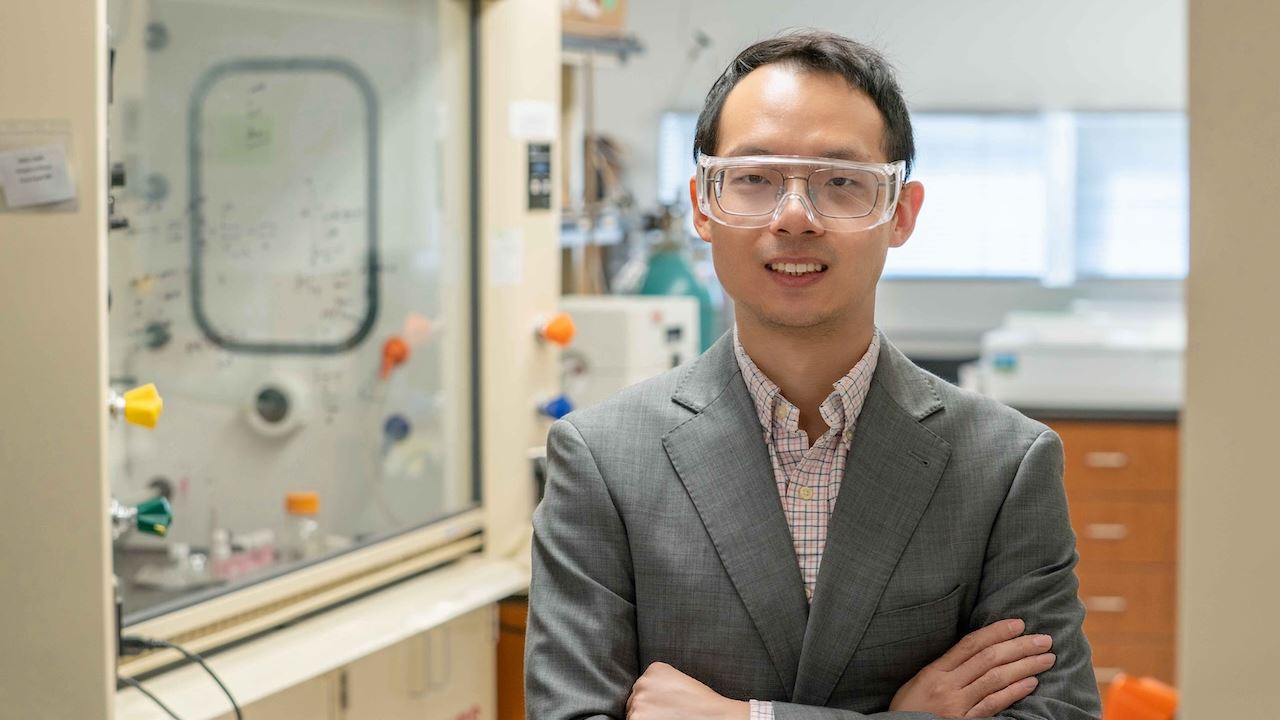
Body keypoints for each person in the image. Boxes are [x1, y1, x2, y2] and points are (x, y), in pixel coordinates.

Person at [526, 30, 1101, 720]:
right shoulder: (601, 460)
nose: (795, 216)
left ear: (901, 213)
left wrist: (748, 719)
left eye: (841, 182)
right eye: (754, 179)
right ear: (703, 205)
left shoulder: (1004, 465)